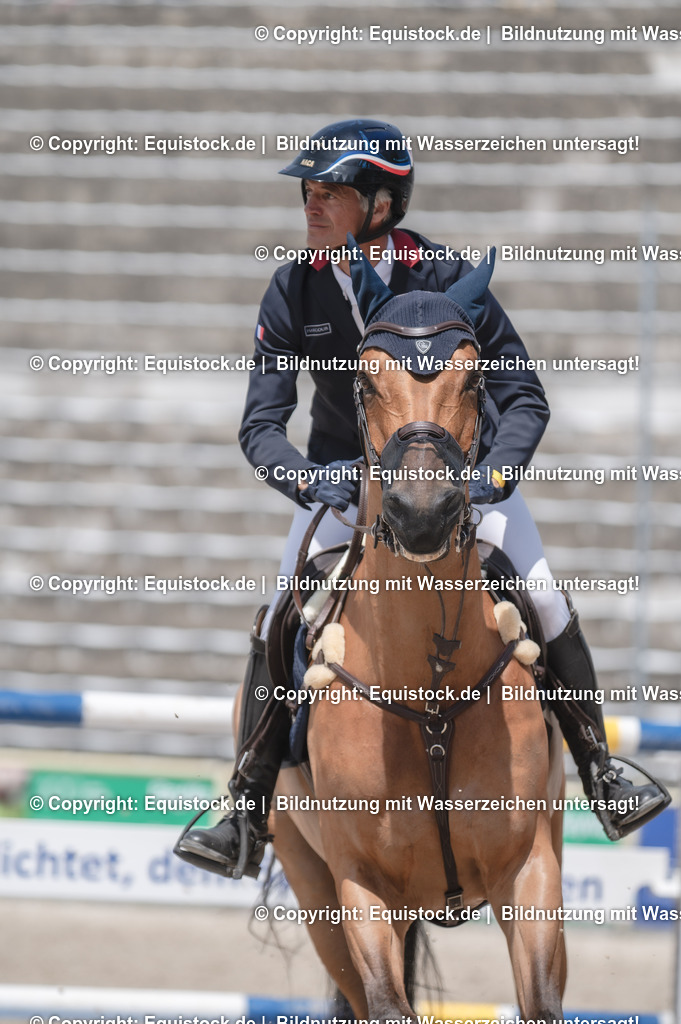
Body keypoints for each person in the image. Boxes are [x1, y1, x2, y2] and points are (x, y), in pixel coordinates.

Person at [175, 118, 669, 878]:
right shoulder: (292, 287)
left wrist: (491, 479)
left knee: (542, 594)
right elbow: (260, 425)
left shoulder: (445, 279)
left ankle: (600, 771)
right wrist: (312, 480)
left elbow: (523, 397)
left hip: (462, 486)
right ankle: (246, 804)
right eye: (308, 192)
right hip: (350, 488)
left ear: (379, 204)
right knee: (280, 611)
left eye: (329, 192)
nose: (311, 205)